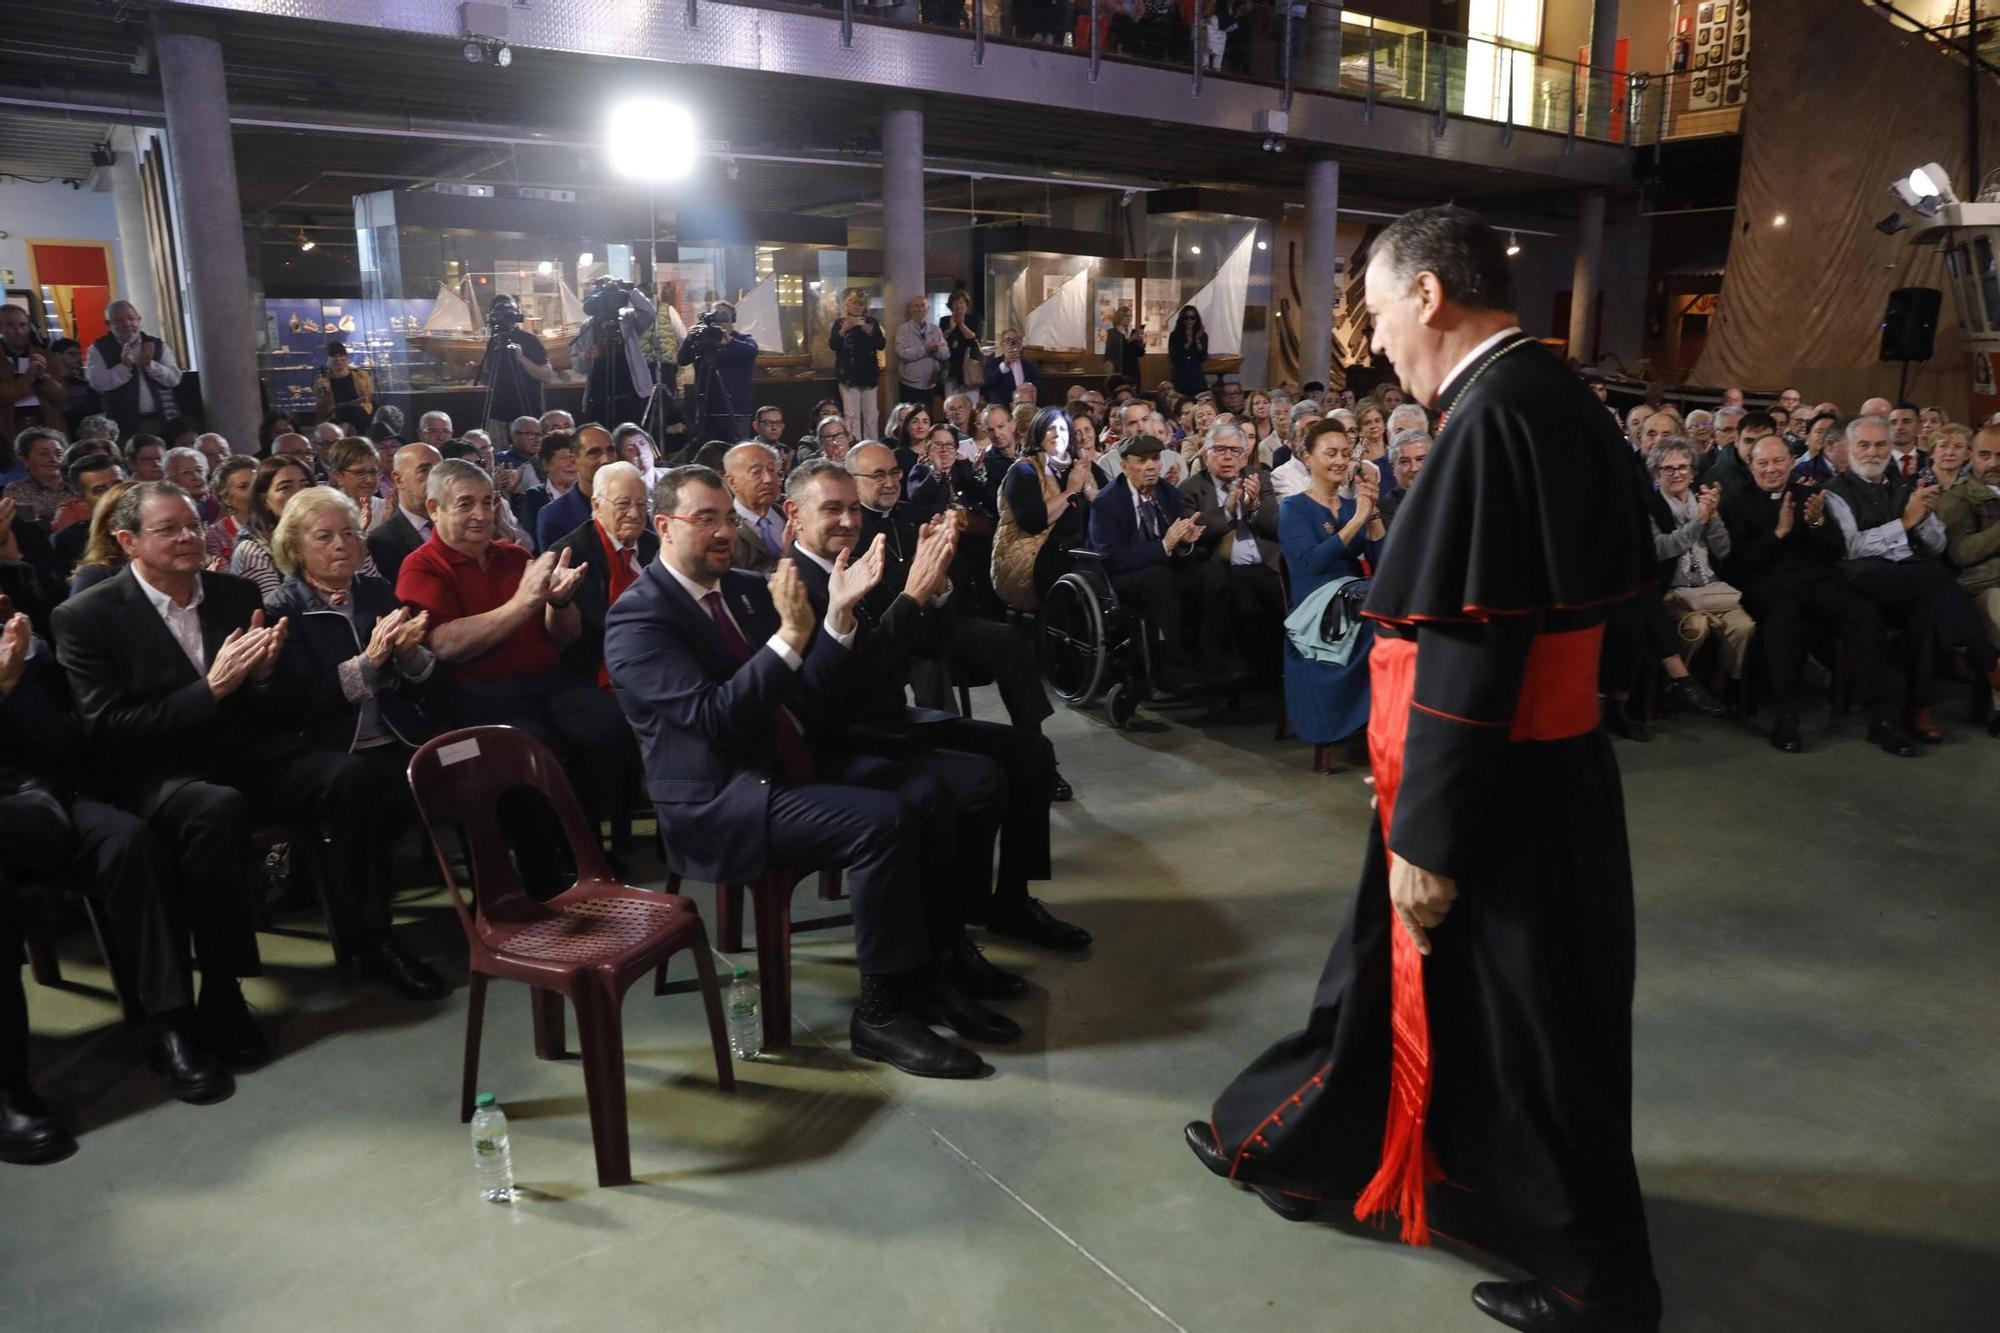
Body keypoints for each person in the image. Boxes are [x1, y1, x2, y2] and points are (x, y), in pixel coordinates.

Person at [1190, 205, 1664, 1333]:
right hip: (1523, 763)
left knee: (1534, 1022)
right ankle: (1307, 1146)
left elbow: (1469, 639)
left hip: (1493, 780)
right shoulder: (1546, 392)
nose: (1370, 338)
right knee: (1410, 985)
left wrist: (1425, 833)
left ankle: (1597, 1284)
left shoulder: (1496, 414)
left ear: (1426, 297)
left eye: (1373, 308)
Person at [604, 464, 990, 1079]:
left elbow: (804, 695)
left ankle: (932, 971)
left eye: (729, 518)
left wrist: (835, 618)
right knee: (884, 821)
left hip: (781, 762)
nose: (724, 532)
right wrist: (791, 635)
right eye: (706, 519)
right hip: (720, 796)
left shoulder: (741, 590)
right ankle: (881, 1015)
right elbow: (715, 719)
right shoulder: (638, 619)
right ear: (663, 526)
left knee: (928, 791)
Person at [792, 455, 1072, 968]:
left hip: (889, 721)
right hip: (845, 739)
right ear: (795, 515)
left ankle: (1008, 900)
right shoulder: (789, 584)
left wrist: (937, 590)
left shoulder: (857, 562)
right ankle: (952, 932)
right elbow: (852, 681)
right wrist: (911, 596)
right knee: (977, 779)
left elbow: (928, 650)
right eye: (832, 509)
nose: (849, 520)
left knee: (1030, 752)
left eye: (853, 509)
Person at [261, 489, 447, 1000]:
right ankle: (373, 941)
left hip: (393, 735)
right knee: (365, 786)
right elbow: (299, 703)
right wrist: (369, 663)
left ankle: (503, 902)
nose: (341, 545)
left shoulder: (377, 596)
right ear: (296, 550)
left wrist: (409, 658)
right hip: (325, 751)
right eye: (324, 537)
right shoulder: (282, 611)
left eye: (349, 534)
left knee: (466, 758)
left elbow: (422, 682)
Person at [395, 458, 633, 850]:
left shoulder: (514, 555)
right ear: (434, 508)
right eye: (466, 503)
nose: (480, 514)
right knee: (536, 750)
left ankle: (586, 847)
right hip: (480, 692)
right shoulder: (422, 566)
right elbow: (445, 644)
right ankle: (552, 864)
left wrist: (559, 604)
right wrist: (522, 604)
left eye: (488, 502)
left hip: (548, 681)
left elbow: (563, 638)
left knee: (610, 726)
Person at [1720, 434, 1908, 755]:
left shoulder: (1810, 495)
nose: (1771, 469)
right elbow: (1735, 562)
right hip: (1767, 586)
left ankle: (1881, 717)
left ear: (1792, 462)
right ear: (1750, 466)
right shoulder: (1735, 502)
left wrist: (1818, 522)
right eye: (1762, 463)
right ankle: (1786, 716)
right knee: (1782, 617)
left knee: (1863, 613)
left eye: (1778, 461)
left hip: (1817, 582)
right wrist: (1778, 535)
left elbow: (1836, 550)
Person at [1822, 414, 1996, 743]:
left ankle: (1917, 708)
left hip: (1906, 582)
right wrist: (1904, 522)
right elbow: (1852, 548)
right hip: (1858, 581)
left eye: (1880, 445)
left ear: (1891, 448)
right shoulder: (1833, 492)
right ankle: (1981, 653)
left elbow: (1937, 544)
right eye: (1864, 445)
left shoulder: (1903, 487)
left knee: (1926, 611)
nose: (1873, 452)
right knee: (1931, 575)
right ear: (1849, 448)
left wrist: (1926, 517)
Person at [1276, 418, 1381, 768]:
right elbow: (1313, 563)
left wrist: (1373, 512)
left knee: (1396, 606)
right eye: (1331, 453)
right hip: (1317, 605)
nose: (1340, 461)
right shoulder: (1294, 508)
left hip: (1356, 594)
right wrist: (1355, 523)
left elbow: (1382, 561)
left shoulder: (1353, 506)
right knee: (1376, 611)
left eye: (1345, 454)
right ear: (1308, 458)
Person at [1087, 433, 1205, 694]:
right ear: (1124, 465)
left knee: (1208, 574)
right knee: (1159, 578)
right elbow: (1113, 558)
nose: (1151, 466)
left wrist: (1185, 542)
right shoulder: (1107, 503)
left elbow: (1179, 545)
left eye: (1155, 459)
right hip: (1118, 578)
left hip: (1162, 569)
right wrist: (1165, 545)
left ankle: (1210, 658)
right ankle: (1169, 665)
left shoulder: (1168, 493)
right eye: (1142, 460)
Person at [1646, 438, 1757, 698]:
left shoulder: (1704, 499)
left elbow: (1724, 551)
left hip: (1712, 588)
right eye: (1668, 469)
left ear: (1694, 471)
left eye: (1683, 467)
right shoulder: (1649, 505)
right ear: (1657, 474)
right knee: (1695, 627)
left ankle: (1724, 681)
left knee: (1744, 627)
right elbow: (1661, 549)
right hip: (1674, 591)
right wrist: (1699, 523)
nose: (1677, 474)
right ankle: (1680, 684)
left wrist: (1714, 518)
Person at [1179, 419, 1284, 687]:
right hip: (1219, 566)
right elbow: (1195, 530)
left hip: (1263, 562)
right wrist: (1227, 510)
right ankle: (1227, 675)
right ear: (1206, 453)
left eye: (1235, 451)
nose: (1228, 457)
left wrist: (1255, 504)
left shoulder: (1258, 477)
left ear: (1245, 453)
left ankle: (1275, 676)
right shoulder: (1191, 487)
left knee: (1281, 599)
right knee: (1237, 598)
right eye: (1220, 450)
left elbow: (1274, 525)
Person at [544, 461, 657, 688]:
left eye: (642, 504)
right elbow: (573, 637)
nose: (635, 514)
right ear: (596, 505)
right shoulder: (570, 555)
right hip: (595, 669)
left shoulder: (654, 545)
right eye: (623, 504)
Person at [994, 406, 1098, 613]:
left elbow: (1106, 505)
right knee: (1084, 579)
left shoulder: (1080, 466)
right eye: (1050, 428)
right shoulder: (1023, 470)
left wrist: (1087, 488)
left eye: (1063, 429)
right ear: (1038, 433)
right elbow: (1034, 521)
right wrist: (1071, 490)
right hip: (1034, 556)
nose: (1057, 434)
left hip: (1080, 550)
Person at [1939, 424, 2000, 733]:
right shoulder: (1958, 498)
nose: (1992, 463)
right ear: (1971, 456)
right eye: (1984, 455)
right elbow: (1961, 553)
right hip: (1979, 585)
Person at [84, 302, 182, 438]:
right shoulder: (98, 349)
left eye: (131, 318)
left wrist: (150, 365)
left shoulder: (157, 345)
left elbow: (174, 379)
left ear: (139, 320)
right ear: (108, 325)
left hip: (163, 419)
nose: (127, 324)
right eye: (119, 320)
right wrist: (124, 367)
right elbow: (97, 382)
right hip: (123, 425)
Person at [229, 457, 321, 600]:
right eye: (285, 487)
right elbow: (276, 612)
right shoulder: (253, 550)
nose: (300, 494)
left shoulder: (329, 535)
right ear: (264, 501)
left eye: (305, 485)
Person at [572, 282, 657, 430]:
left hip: (630, 388)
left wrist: (629, 289)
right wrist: (585, 356)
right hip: (599, 391)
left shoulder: (628, 319)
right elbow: (577, 365)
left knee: (629, 433)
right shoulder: (588, 326)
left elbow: (649, 312)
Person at [678, 302, 757, 443]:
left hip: (736, 410)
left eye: (724, 314)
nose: (719, 318)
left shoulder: (743, 339)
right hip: (708, 411)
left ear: (732, 318)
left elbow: (751, 352)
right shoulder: (703, 342)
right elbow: (682, 359)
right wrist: (689, 339)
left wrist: (728, 340)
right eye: (716, 314)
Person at [364, 442, 441, 586]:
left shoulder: (456, 527)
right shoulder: (381, 541)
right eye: (424, 470)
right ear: (398, 480)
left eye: (439, 471)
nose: (435, 479)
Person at [476, 296, 554, 433]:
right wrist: (475, 371)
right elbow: (491, 379)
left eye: (510, 312)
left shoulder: (530, 340)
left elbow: (546, 376)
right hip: (498, 416)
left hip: (526, 414)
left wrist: (521, 358)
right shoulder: (494, 341)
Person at [535, 425, 617, 552]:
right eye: (594, 453)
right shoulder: (553, 516)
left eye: (611, 450)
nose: (606, 459)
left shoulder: (634, 504)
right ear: (573, 461)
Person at [0, 305, 68, 439]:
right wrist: (28, 379)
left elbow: (61, 396)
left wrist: (43, 379)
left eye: (23, 325)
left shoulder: (44, 355)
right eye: (10, 325)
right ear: (1, 327)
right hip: (7, 428)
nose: (18, 331)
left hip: (44, 423)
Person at [830, 290, 886, 442]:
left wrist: (871, 333)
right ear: (847, 304)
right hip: (849, 376)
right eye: (853, 303)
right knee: (851, 415)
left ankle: (871, 446)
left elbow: (881, 345)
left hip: (869, 376)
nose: (856, 307)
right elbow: (833, 345)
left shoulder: (871, 322)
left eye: (860, 304)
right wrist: (843, 330)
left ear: (865, 307)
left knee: (871, 415)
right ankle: (854, 446)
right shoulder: (840, 323)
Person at [724, 441, 786, 575]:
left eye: (772, 470)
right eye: (756, 472)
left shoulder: (791, 517)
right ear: (732, 482)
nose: (768, 479)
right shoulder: (723, 528)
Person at [2, 430, 66, 528]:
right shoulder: (16, 490)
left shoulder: (78, 485)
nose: (54, 459)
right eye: (44, 454)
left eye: (59, 454)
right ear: (25, 460)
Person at [324, 436, 390, 531]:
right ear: (338, 476)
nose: (370, 480)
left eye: (373, 472)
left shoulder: (386, 509)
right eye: (360, 473)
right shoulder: (327, 513)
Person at [894, 296, 949, 407]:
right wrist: (924, 350)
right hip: (910, 384)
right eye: (916, 306)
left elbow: (946, 353)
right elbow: (903, 353)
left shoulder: (935, 329)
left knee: (927, 417)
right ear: (910, 309)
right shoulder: (903, 330)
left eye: (923, 306)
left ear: (927, 309)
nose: (920, 309)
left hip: (930, 384)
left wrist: (936, 350)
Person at [204, 455, 256, 565]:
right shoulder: (214, 535)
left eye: (257, 484)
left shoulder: (280, 523)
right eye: (243, 487)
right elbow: (224, 577)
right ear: (225, 498)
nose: (254, 491)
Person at [313, 341, 375, 433]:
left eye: (341, 357)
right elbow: (322, 408)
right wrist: (326, 392)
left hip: (359, 413)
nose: (338, 360)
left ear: (346, 358)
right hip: (337, 415)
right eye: (334, 357)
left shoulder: (360, 376)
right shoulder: (323, 380)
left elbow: (368, 397)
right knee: (343, 417)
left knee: (356, 414)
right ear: (328, 359)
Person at [1378, 429, 1430, 530]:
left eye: (1420, 459)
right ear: (1393, 468)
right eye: (1405, 462)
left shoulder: (1452, 498)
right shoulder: (1385, 509)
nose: (1414, 468)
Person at [941, 289, 982, 400]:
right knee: (951, 402)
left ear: (966, 304)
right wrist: (950, 329)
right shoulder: (944, 320)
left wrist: (961, 324)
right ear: (951, 305)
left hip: (969, 366)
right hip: (951, 367)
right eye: (955, 303)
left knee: (971, 402)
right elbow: (940, 340)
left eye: (962, 302)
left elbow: (973, 337)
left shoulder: (974, 319)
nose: (959, 306)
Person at [982, 328, 1039, 406]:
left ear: (1021, 344)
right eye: (1008, 340)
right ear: (1002, 344)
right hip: (1002, 409)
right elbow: (989, 383)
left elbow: (1035, 389)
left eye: (1016, 340)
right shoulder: (993, 363)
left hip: (1024, 409)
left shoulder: (1029, 366)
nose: (1012, 343)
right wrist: (1005, 365)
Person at [1167, 305, 1209, 397]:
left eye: (1192, 318)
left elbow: (1203, 358)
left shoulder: (1202, 335)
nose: (1189, 321)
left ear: (1196, 319)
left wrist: (1197, 340)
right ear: (1182, 319)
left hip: (1196, 378)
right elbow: (1174, 358)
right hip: (1181, 377)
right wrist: (1187, 344)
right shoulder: (1175, 335)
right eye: (1186, 318)